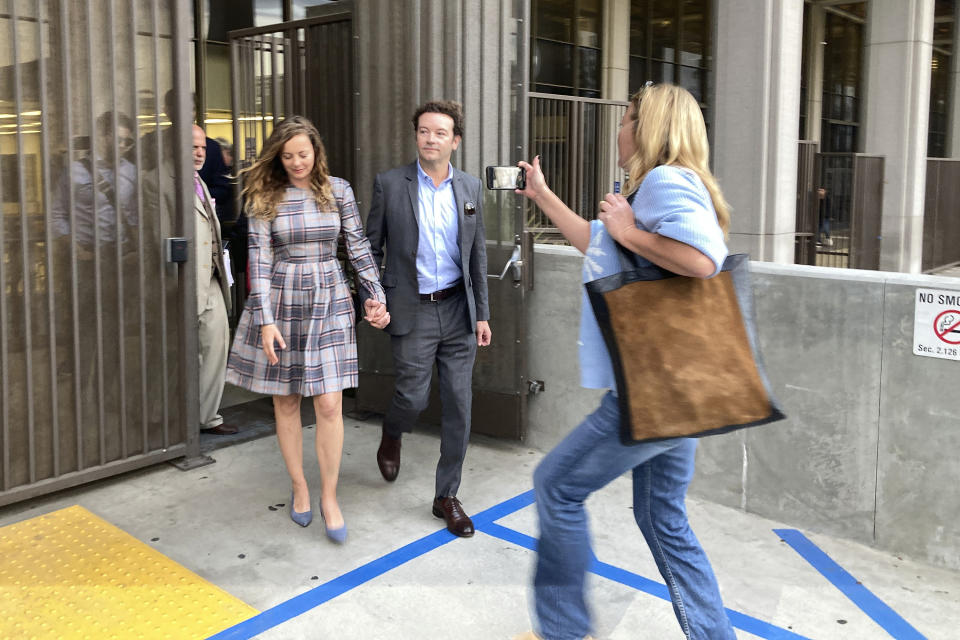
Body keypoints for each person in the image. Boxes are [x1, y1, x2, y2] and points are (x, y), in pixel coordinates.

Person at [512, 84, 737, 640]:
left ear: (648, 128)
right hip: (686, 391)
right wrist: (543, 195)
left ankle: (562, 631)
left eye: (626, 118)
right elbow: (598, 243)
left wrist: (629, 229)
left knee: (556, 486)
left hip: (654, 392)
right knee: (664, 518)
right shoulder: (674, 184)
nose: (619, 129)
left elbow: (704, 257)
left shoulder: (664, 181)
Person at [225, 116, 389, 543]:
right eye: (288, 156)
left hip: (331, 295)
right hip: (281, 298)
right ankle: (299, 485)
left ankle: (329, 496)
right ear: (278, 157)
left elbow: (357, 246)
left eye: (303, 154)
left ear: (316, 152)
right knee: (287, 401)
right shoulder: (266, 195)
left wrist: (375, 295)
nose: (297, 162)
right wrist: (265, 321)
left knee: (331, 403)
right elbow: (258, 261)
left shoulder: (339, 191)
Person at [363, 100, 492, 538]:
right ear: (416, 136)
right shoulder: (390, 184)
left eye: (440, 132)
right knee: (413, 398)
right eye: (424, 131)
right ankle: (393, 431)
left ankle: (446, 497)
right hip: (411, 308)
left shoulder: (471, 188)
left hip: (458, 310)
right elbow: (368, 249)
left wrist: (483, 315)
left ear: (454, 141)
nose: (430, 138)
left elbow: (477, 255)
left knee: (459, 403)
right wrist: (372, 296)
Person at [191, 124, 236, 436]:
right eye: (192, 146)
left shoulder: (201, 183)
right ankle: (182, 419)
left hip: (212, 278)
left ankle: (206, 416)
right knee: (187, 351)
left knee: (217, 344)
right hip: (185, 280)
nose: (199, 153)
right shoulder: (160, 184)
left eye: (203, 149)